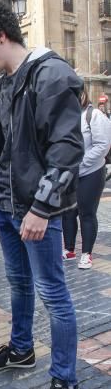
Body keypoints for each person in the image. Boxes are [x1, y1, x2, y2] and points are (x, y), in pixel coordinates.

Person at [0, 1, 84, 389]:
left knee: (54, 294)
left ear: (0, 36)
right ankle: (21, 348)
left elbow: (67, 150)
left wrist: (43, 209)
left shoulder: (52, 75)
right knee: (17, 283)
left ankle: (66, 383)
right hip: (9, 211)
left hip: (38, 215)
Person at [62, 88, 111, 269]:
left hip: (91, 172)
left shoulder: (95, 115)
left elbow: (102, 146)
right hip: (69, 172)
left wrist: (80, 163)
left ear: (83, 94)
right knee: (67, 212)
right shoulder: (65, 116)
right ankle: (69, 249)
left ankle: (87, 253)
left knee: (86, 213)